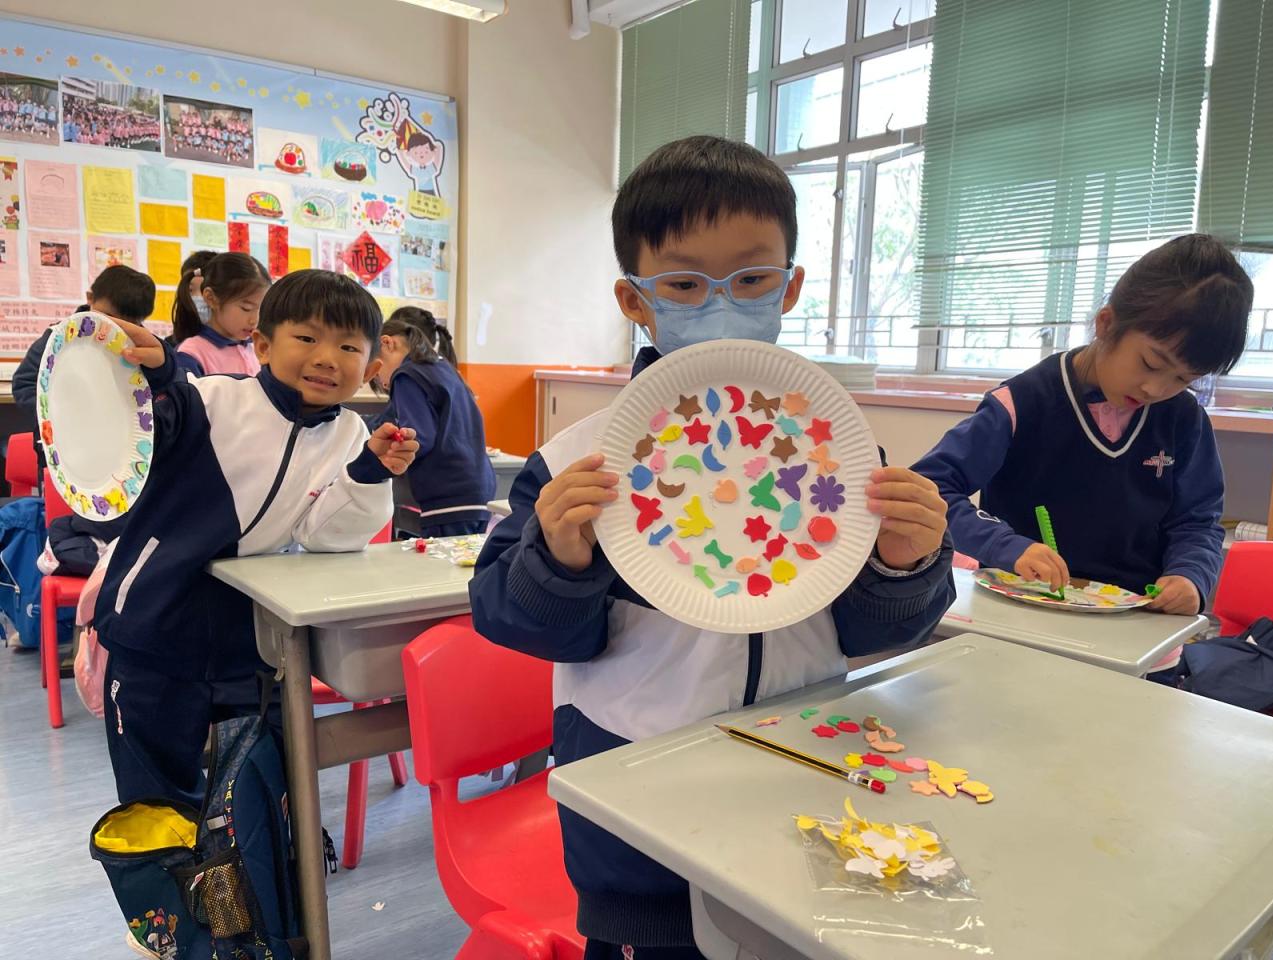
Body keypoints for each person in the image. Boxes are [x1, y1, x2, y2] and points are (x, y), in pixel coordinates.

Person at [469, 135, 955, 956]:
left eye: (752, 278)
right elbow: (510, 619)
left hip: (803, 779)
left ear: (790, 285)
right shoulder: (577, 461)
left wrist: (905, 564)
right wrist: (559, 557)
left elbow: (868, 631)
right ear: (634, 300)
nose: (721, 302)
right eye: (685, 283)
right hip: (639, 813)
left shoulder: (839, 452)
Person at [94, 270, 419, 808]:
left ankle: (252, 865)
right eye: (307, 338)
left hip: (255, 640)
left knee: (258, 791)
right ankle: (168, 866)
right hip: (155, 625)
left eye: (347, 347)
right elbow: (144, 428)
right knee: (155, 800)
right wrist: (162, 374)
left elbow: (322, 537)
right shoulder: (213, 400)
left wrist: (368, 472)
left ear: (370, 369)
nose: (326, 358)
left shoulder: (350, 435)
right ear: (263, 346)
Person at [912, 234, 1253, 620]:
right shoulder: (1023, 403)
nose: (1156, 389)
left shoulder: (1184, 419)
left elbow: (1197, 520)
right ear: (1106, 324)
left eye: (1183, 379)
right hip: (1020, 609)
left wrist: (1190, 575)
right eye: (1151, 363)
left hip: (1133, 620)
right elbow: (930, 489)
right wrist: (1005, 546)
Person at [12, 265, 156, 469]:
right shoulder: (58, 338)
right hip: (61, 448)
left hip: (117, 451)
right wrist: (59, 413)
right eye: (108, 316)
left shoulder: (144, 348)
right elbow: (24, 383)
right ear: (90, 298)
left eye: (128, 323)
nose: (114, 328)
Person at [371, 309, 495, 536]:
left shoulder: (406, 375)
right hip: (478, 489)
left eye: (378, 373)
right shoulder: (442, 367)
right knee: (465, 558)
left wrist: (381, 455)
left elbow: (418, 438)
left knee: (441, 560)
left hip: (447, 494)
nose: (383, 383)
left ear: (387, 343)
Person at [172, 252, 270, 377]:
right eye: (246, 308)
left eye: (261, 310)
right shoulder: (191, 354)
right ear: (211, 298)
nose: (255, 320)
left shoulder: (258, 347)